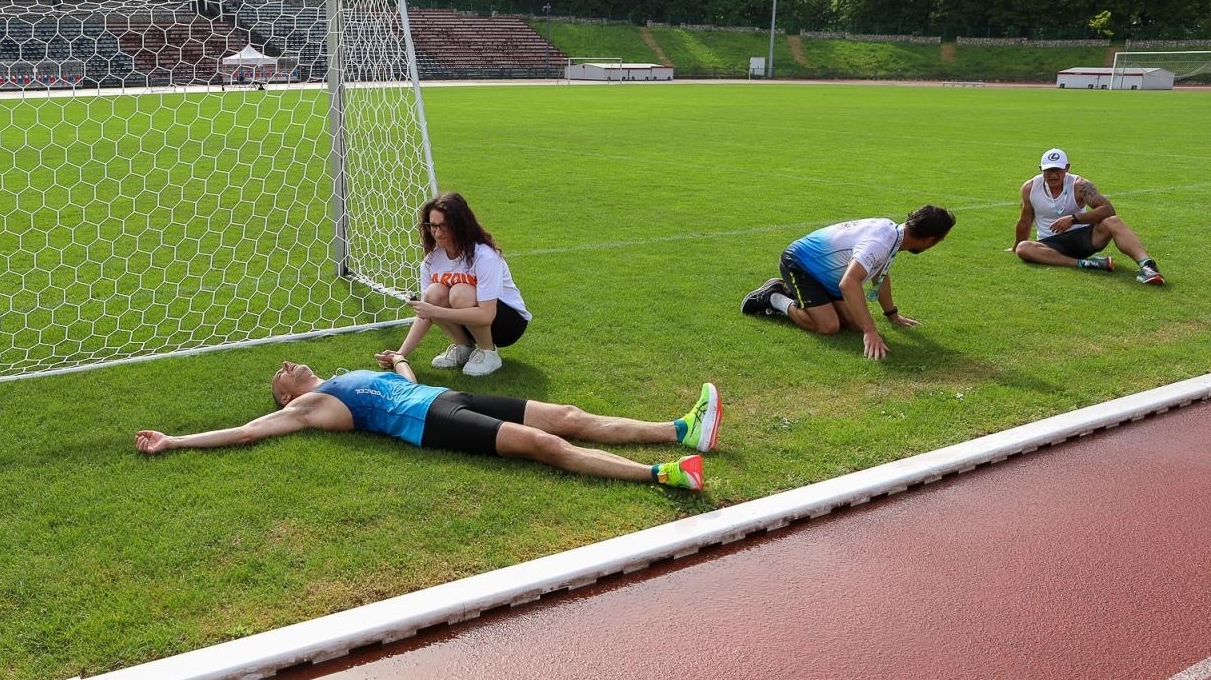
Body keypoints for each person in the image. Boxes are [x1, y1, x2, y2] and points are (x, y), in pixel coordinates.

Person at [136, 358, 721, 490]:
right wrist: (174, 440)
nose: (288, 365)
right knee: (544, 443)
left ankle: (680, 429)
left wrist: (399, 363)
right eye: (281, 374)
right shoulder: (306, 408)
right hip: (431, 423)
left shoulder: (343, 375)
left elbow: (405, 384)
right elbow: (245, 432)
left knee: (568, 416)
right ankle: (661, 474)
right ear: (286, 395)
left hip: (443, 395)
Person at [740, 205, 956, 361]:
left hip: (830, 275)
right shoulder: (880, 242)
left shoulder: (893, 233)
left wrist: (892, 315)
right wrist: (870, 331)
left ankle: (804, 298)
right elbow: (849, 283)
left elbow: (880, 275)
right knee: (829, 326)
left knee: (854, 324)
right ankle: (774, 296)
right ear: (930, 239)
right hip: (800, 263)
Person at [375, 192, 531, 378]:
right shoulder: (431, 260)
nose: (437, 233)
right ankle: (463, 346)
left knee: (460, 292)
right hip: (470, 321)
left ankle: (487, 352)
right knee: (433, 293)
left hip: (508, 324)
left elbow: (486, 316)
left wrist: (435, 311)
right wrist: (400, 354)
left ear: (460, 225)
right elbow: (426, 311)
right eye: (432, 226)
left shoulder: (485, 257)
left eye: (444, 226)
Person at [1012, 148, 1164, 284]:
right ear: (1040, 169)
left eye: (1057, 170)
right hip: (1050, 245)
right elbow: (1025, 221)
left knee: (1113, 221)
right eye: (1048, 170)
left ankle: (1147, 266)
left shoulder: (1080, 185)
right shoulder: (1030, 188)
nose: (1053, 175)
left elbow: (1108, 209)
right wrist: (1016, 246)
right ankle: (1086, 263)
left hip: (1083, 238)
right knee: (1023, 248)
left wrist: (1073, 219)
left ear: (1067, 168)